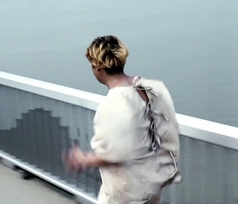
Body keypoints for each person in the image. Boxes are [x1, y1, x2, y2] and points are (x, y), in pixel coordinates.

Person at [63, 35, 181, 204]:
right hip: (152, 185)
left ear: (97, 66)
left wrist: (84, 159)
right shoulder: (154, 89)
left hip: (127, 194)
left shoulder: (114, 103)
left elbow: (118, 152)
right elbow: (169, 133)